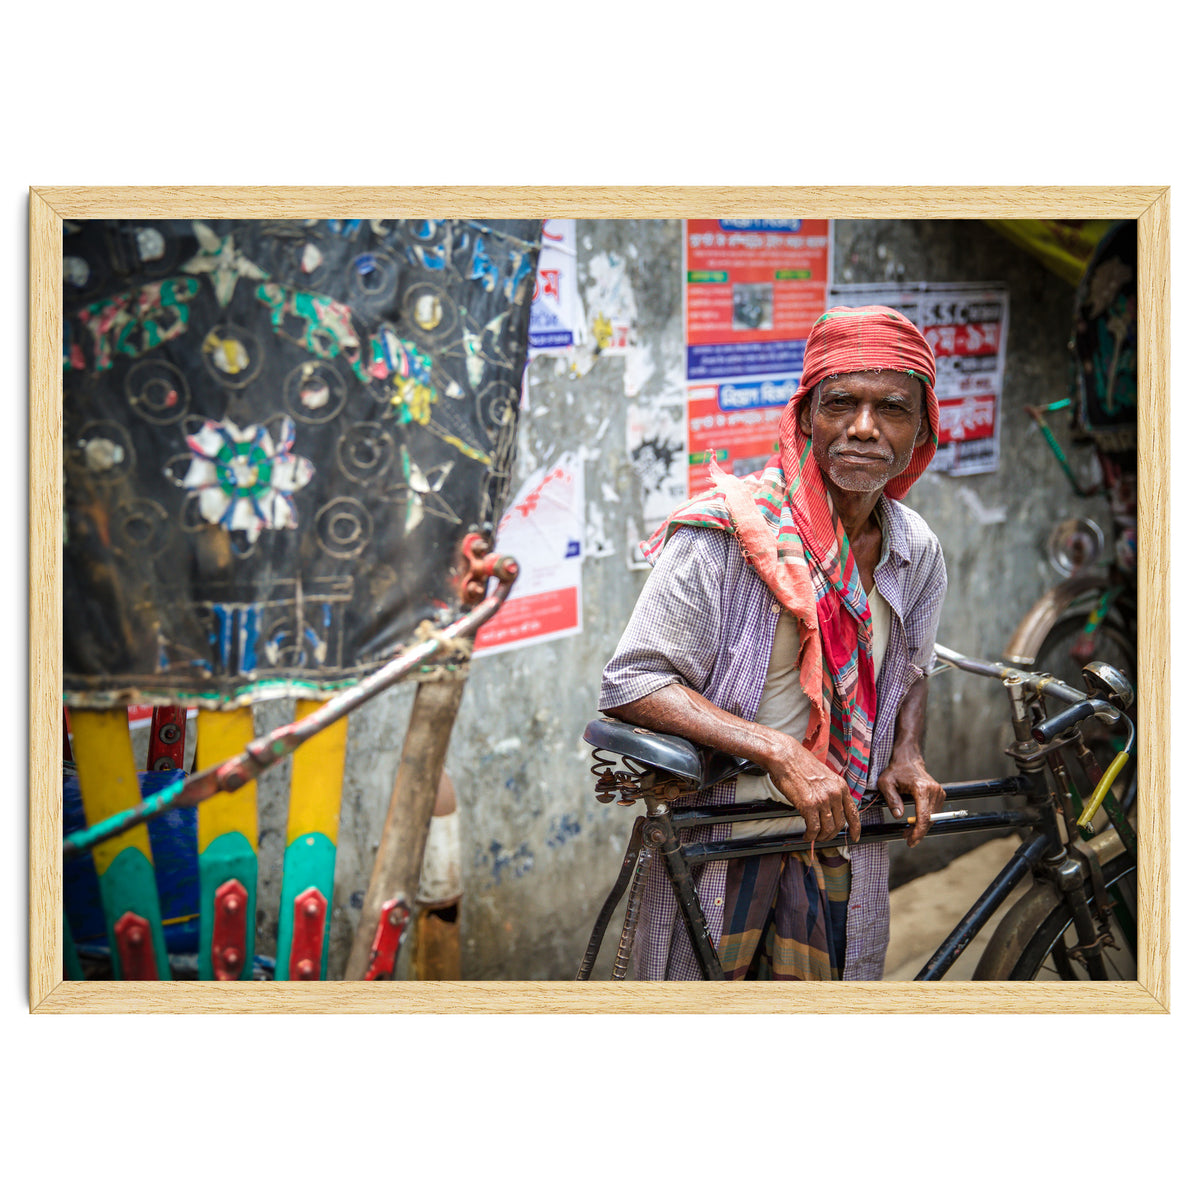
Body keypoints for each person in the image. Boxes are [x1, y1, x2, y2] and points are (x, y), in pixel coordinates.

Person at [599, 305, 947, 981]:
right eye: (841, 403)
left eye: (893, 409)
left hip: (839, 834)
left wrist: (906, 751)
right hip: (724, 838)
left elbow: (912, 665)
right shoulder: (726, 537)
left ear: (923, 428)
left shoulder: (916, 550)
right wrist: (781, 751)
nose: (864, 428)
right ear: (806, 417)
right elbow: (633, 682)